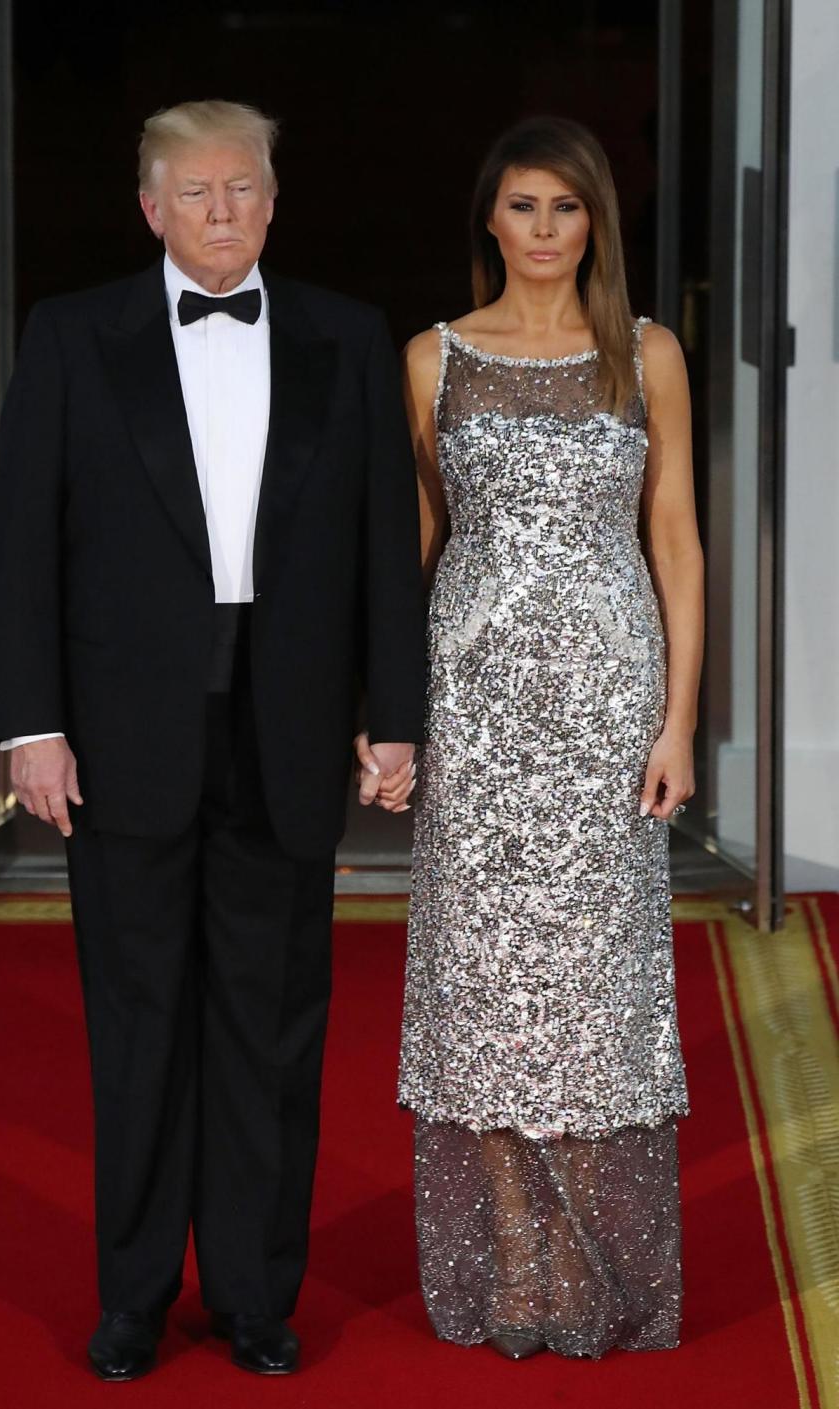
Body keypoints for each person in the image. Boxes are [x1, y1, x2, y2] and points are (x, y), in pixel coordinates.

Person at [0, 99, 425, 1382]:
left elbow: (382, 562)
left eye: (243, 190)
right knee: (135, 1024)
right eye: (195, 193)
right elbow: (24, 548)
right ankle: (133, 1295)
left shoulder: (348, 339)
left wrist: (393, 719)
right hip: (120, 736)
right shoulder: (73, 335)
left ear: (275, 200)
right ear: (150, 208)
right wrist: (33, 725)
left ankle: (253, 1294)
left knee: (273, 1027)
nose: (221, 213)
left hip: (284, 733)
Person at [390, 114, 703, 1361]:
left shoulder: (646, 353)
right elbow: (411, 547)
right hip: (474, 708)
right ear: (490, 217)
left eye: (566, 209)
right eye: (523, 207)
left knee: (594, 995)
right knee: (483, 995)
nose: (543, 232)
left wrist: (680, 719)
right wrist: (387, 720)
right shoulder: (431, 359)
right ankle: (515, 1261)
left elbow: (673, 542)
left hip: (608, 708)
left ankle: (597, 1264)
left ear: (596, 224)